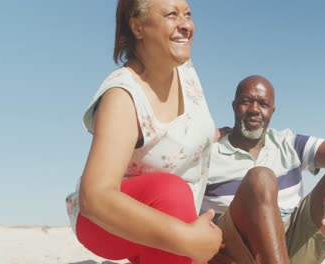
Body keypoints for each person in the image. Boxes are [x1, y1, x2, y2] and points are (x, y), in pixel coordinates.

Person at [65, 0, 223, 263]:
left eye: (188, 14)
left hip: (173, 219)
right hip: (105, 221)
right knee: (172, 192)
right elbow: (95, 197)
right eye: (172, 15)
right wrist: (186, 238)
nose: (185, 25)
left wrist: (214, 136)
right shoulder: (123, 96)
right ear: (138, 27)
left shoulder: (184, 69)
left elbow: (178, 134)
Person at [203, 75, 325, 264]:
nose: (255, 109)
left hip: (291, 246)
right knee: (260, 178)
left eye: (263, 104)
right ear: (234, 106)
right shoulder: (209, 154)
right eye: (246, 101)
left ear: (272, 110)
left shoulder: (288, 143)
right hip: (240, 251)